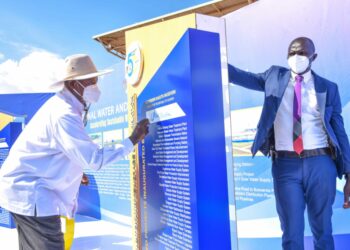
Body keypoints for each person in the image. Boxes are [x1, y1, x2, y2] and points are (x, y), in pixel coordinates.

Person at [0, 54, 149, 250]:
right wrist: (132, 140)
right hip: (30, 193)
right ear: (74, 84)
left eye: (96, 81)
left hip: (24, 190)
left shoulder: (65, 108)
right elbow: (94, 159)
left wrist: (77, 171)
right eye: (91, 81)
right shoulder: (64, 114)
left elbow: (61, 151)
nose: (96, 87)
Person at [228, 37, 350, 250]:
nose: (296, 57)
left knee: (322, 229)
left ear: (314, 56)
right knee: (291, 232)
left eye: (302, 53)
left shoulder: (328, 88)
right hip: (285, 165)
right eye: (291, 53)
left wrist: (349, 173)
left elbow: (339, 131)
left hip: (321, 164)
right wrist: (214, 61)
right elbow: (240, 76)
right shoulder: (274, 76)